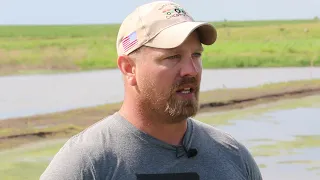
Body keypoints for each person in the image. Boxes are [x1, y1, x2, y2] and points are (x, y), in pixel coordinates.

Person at [40, 1, 263, 180]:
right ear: (129, 68)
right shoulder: (87, 163)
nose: (191, 70)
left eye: (196, 55)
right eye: (173, 57)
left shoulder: (232, 154)